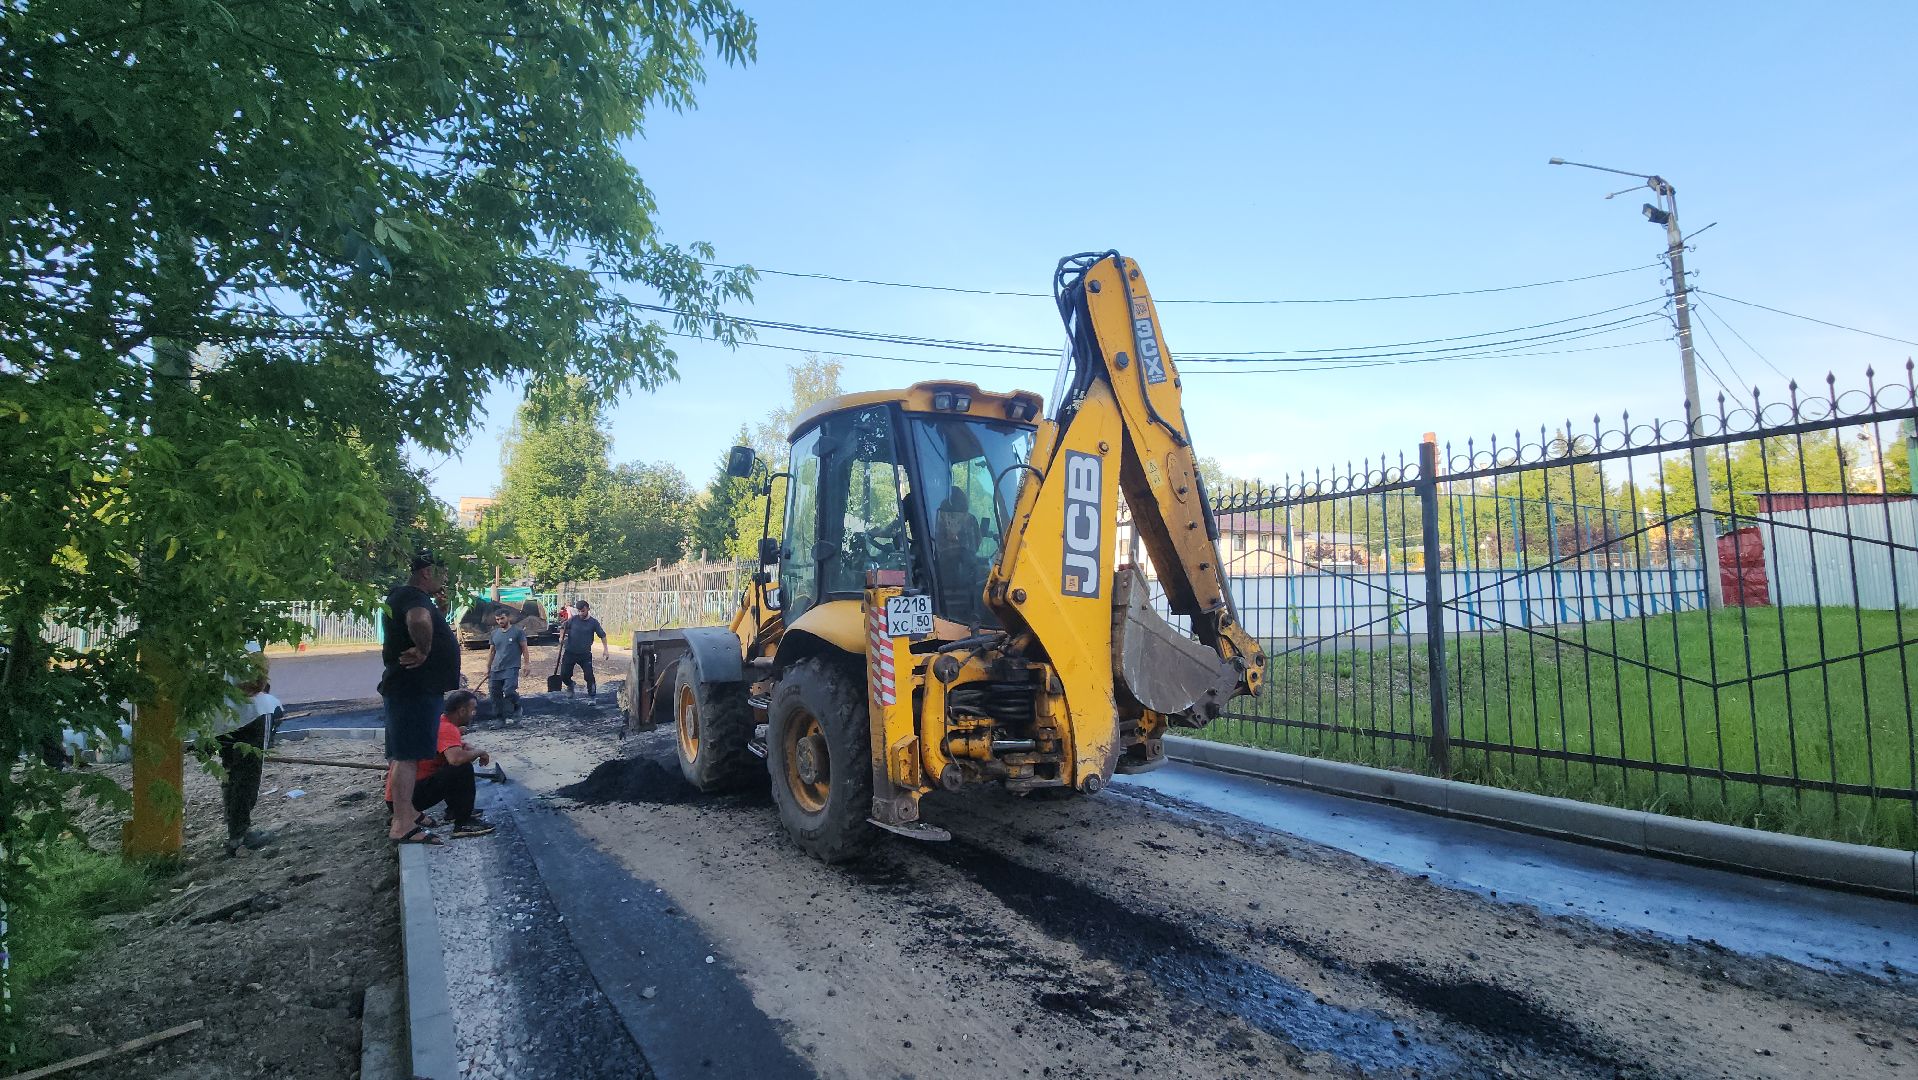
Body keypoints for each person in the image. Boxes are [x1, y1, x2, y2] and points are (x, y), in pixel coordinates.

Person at [381, 552, 460, 845]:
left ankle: (409, 811)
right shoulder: (411, 596)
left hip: (415, 689)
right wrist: (424, 650)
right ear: (427, 572)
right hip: (412, 688)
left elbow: (423, 614)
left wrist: (439, 608)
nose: (446, 578)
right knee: (406, 756)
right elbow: (418, 618)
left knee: (409, 753)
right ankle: (402, 823)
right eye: (442, 572)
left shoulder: (410, 596)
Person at [386, 690, 496, 839]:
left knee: (451, 767)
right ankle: (463, 822)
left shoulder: (440, 722)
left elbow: (445, 747)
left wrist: (464, 746)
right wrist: (479, 752)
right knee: (461, 768)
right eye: (473, 709)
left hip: (397, 799)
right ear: (462, 711)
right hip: (407, 798)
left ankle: (454, 810)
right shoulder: (448, 728)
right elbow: (455, 759)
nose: (474, 713)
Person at [213, 651, 285, 857]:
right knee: (248, 774)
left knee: (230, 771)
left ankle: (234, 827)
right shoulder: (244, 636)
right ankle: (240, 833)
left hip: (219, 717)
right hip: (249, 714)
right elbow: (255, 682)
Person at [555, 599, 609, 700]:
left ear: (588, 609)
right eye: (579, 611)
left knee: (589, 675)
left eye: (583, 611)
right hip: (570, 652)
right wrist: (561, 637)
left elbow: (602, 635)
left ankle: (592, 696)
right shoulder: (573, 619)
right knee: (564, 675)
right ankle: (570, 685)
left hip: (584, 654)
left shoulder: (593, 623)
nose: (580, 613)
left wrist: (605, 649)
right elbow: (563, 627)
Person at [485, 608, 530, 720]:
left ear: (508, 617)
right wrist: (488, 667)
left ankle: (517, 706)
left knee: (509, 690)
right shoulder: (494, 633)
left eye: (502, 618)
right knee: (494, 694)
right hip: (496, 668)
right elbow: (492, 651)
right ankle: (500, 719)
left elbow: (524, 648)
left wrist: (527, 664)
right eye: (498, 619)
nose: (500, 621)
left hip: (511, 667)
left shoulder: (518, 632)